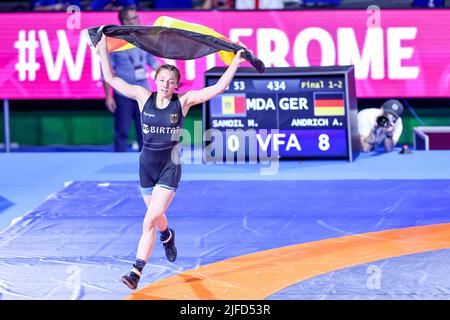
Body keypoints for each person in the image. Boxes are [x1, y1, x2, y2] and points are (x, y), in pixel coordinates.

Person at [96, 31, 247, 289]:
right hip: (146, 167)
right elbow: (111, 77)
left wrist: (235, 61)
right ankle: (167, 235)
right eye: (162, 80)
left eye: (171, 81)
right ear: (155, 80)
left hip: (169, 167)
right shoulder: (143, 97)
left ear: (177, 85)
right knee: (158, 219)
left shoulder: (183, 102)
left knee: (149, 220)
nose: (166, 85)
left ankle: (136, 271)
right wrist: (101, 49)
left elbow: (218, 88)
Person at [102, 8, 160, 152]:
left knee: (144, 130)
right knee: (122, 130)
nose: (138, 21)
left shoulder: (143, 39)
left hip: (143, 93)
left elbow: (153, 62)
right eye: (135, 18)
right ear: (125, 22)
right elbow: (106, 72)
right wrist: (109, 96)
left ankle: (146, 161)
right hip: (123, 94)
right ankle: (118, 164)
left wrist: (167, 73)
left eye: (137, 17)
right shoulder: (115, 42)